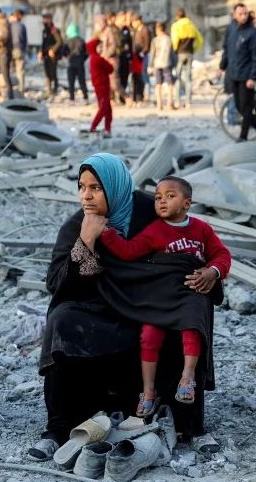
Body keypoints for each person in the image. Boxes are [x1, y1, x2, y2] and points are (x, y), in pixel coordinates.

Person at [28, 153, 222, 460]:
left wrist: (211, 272)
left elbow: (192, 246)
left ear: (115, 186)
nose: (86, 196)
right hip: (101, 308)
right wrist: (86, 241)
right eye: (81, 187)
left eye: (95, 188)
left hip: (152, 304)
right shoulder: (78, 224)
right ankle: (58, 429)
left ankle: (190, 425)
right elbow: (57, 284)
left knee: (191, 306)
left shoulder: (152, 210)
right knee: (62, 319)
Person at [98, 175, 231, 417]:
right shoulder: (155, 231)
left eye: (170, 196)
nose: (162, 201)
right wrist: (106, 233)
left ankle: (187, 378)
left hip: (190, 291)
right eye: (158, 197)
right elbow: (129, 252)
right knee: (149, 335)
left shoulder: (201, 229)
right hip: (161, 293)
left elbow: (222, 254)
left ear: (187, 203)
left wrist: (213, 271)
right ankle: (148, 391)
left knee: (192, 325)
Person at [219, 3, 256, 142]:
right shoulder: (231, 28)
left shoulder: (253, 33)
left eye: (245, 13)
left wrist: (253, 77)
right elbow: (226, 49)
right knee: (239, 106)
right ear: (234, 15)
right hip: (233, 73)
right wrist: (222, 66)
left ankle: (243, 136)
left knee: (246, 107)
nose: (243, 16)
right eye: (240, 14)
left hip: (246, 76)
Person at [171, 8, 204, 109]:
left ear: (177, 16)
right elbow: (200, 40)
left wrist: (175, 49)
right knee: (188, 78)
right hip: (190, 53)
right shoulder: (191, 25)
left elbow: (174, 40)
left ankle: (177, 101)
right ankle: (188, 102)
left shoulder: (176, 26)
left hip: (180, 53)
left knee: (177, 77)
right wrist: (195, 48)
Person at [86, 39, 113, 136]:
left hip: (99, 86)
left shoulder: (93, 58)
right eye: (100, 47)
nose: (102, 49)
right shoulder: (98, 59)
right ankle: (93, 126)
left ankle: (107, 129)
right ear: (94, 48)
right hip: (103, 86)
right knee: (103, 108)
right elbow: (111, 68)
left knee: (108, 109)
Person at [149, 22, 176, 111]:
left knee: (158, 84)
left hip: (157, 64)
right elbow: (172, 53)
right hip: (167, 63)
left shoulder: (155, 40)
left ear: (158, 30)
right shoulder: (169, 39)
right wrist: (174, 64)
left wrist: (150, 65)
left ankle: (159, 104)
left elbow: (152, 54)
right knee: (170, 84)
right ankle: (169, 103)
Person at [40, 13, 63, 100]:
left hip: (53, 55)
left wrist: (53, 50)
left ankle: (55, 88)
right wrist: (41, 52)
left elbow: (59, 41)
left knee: (53, 72)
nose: (44, 21)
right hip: (46, 55)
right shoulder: (44, 31)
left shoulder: (54, 30)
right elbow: (43, 43)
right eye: (44, 19)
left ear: (50, 19)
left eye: (46, 19)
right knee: (47, 73)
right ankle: (49, 90)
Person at [65, 24, 88, 104]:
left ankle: (72, 98)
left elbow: (63, 52)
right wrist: (82, 59)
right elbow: (87, 53)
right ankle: (85, 97)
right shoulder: (81, 41)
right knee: (82, 81)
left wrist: (68, 57)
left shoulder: (67, 42)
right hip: (80, 64)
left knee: (71, 82)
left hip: (70, 64)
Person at [131, 13, 151, 105]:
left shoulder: (145, 30)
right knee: (136, 76)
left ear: (138, 21)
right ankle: (137, 96)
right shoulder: (136, 31)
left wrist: (142, 53)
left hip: (142, 56)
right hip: (136, 56)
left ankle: (144, 95)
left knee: (142, 75)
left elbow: (147, 44)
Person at [9, 9, 28, 95]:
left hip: (10, 49)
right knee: (20, 70)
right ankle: (21, 89)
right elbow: (24, 40)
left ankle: (10, 88)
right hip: (19, 49)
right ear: (19, 16)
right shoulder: (22, 26)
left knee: (10, 70)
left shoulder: (10, 25)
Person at [117, 12, 133, 101]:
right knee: (117, 77)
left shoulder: (127, 30)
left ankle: (122, 97)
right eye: (123, 20)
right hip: (118, 56)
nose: (125, 22)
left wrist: (130, 57)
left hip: (126, 57)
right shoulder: (115, 30)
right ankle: (119, 96)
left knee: (125, 76)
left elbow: (130, 43)